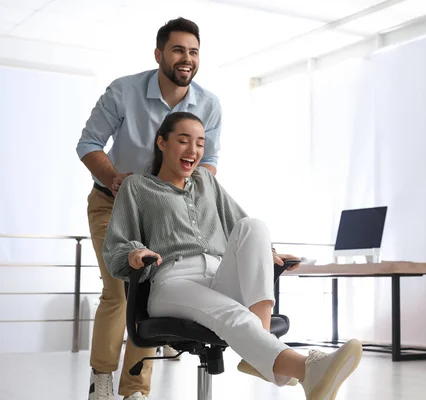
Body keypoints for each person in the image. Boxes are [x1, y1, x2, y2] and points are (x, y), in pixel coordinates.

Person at [103, 112, 363, 400]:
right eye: (184, 141)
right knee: (234, 315)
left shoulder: (206, 181)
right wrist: (135, 252)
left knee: (255, 226)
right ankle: (306, 367)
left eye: (200, 143)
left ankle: (258, 355)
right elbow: (116, 245)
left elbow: (240, 225)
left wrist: (268, 254)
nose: (194, 151)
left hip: (218, 273)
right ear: (162, 143)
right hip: (172, 282)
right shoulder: (137, 187)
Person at [76, 17, 221, 400]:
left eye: (193, 51)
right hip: (112, 201)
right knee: (120, 288)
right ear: (159, 54)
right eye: (178, 50)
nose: (186, 58)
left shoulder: (208, 104)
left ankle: (136, 389)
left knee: (149, 292)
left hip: (163, 211)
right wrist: (112, 178)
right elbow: (88, 144)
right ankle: (101, 379)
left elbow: (209, 165)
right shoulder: (123, 91)